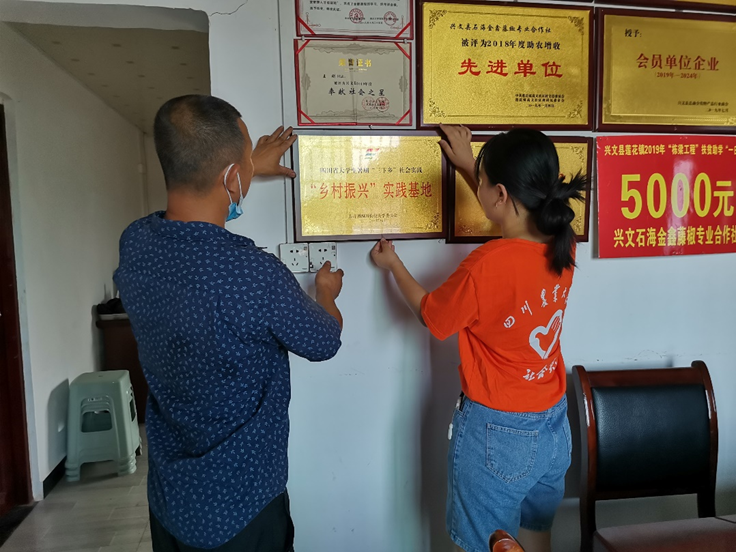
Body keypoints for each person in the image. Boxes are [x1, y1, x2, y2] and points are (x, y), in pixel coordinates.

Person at [114, 95, 344, 552]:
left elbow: (197, 223)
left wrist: (246, 166)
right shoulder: (251, 273)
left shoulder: (135, 242)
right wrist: (325, 295)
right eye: (245, 162)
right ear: (231, 176)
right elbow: (324, 341)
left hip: (171, 498)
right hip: (242, 506)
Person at [371, 125, 586, 552]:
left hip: (498, 434)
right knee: (534, 539)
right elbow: (511, 217)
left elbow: (432, 316)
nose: (481, 187)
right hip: (552, 425)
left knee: (482, 546)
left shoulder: (486, 265)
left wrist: (392, 264)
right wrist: (472, 167)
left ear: (500, 194)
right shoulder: (564, 241)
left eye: (484, 183)